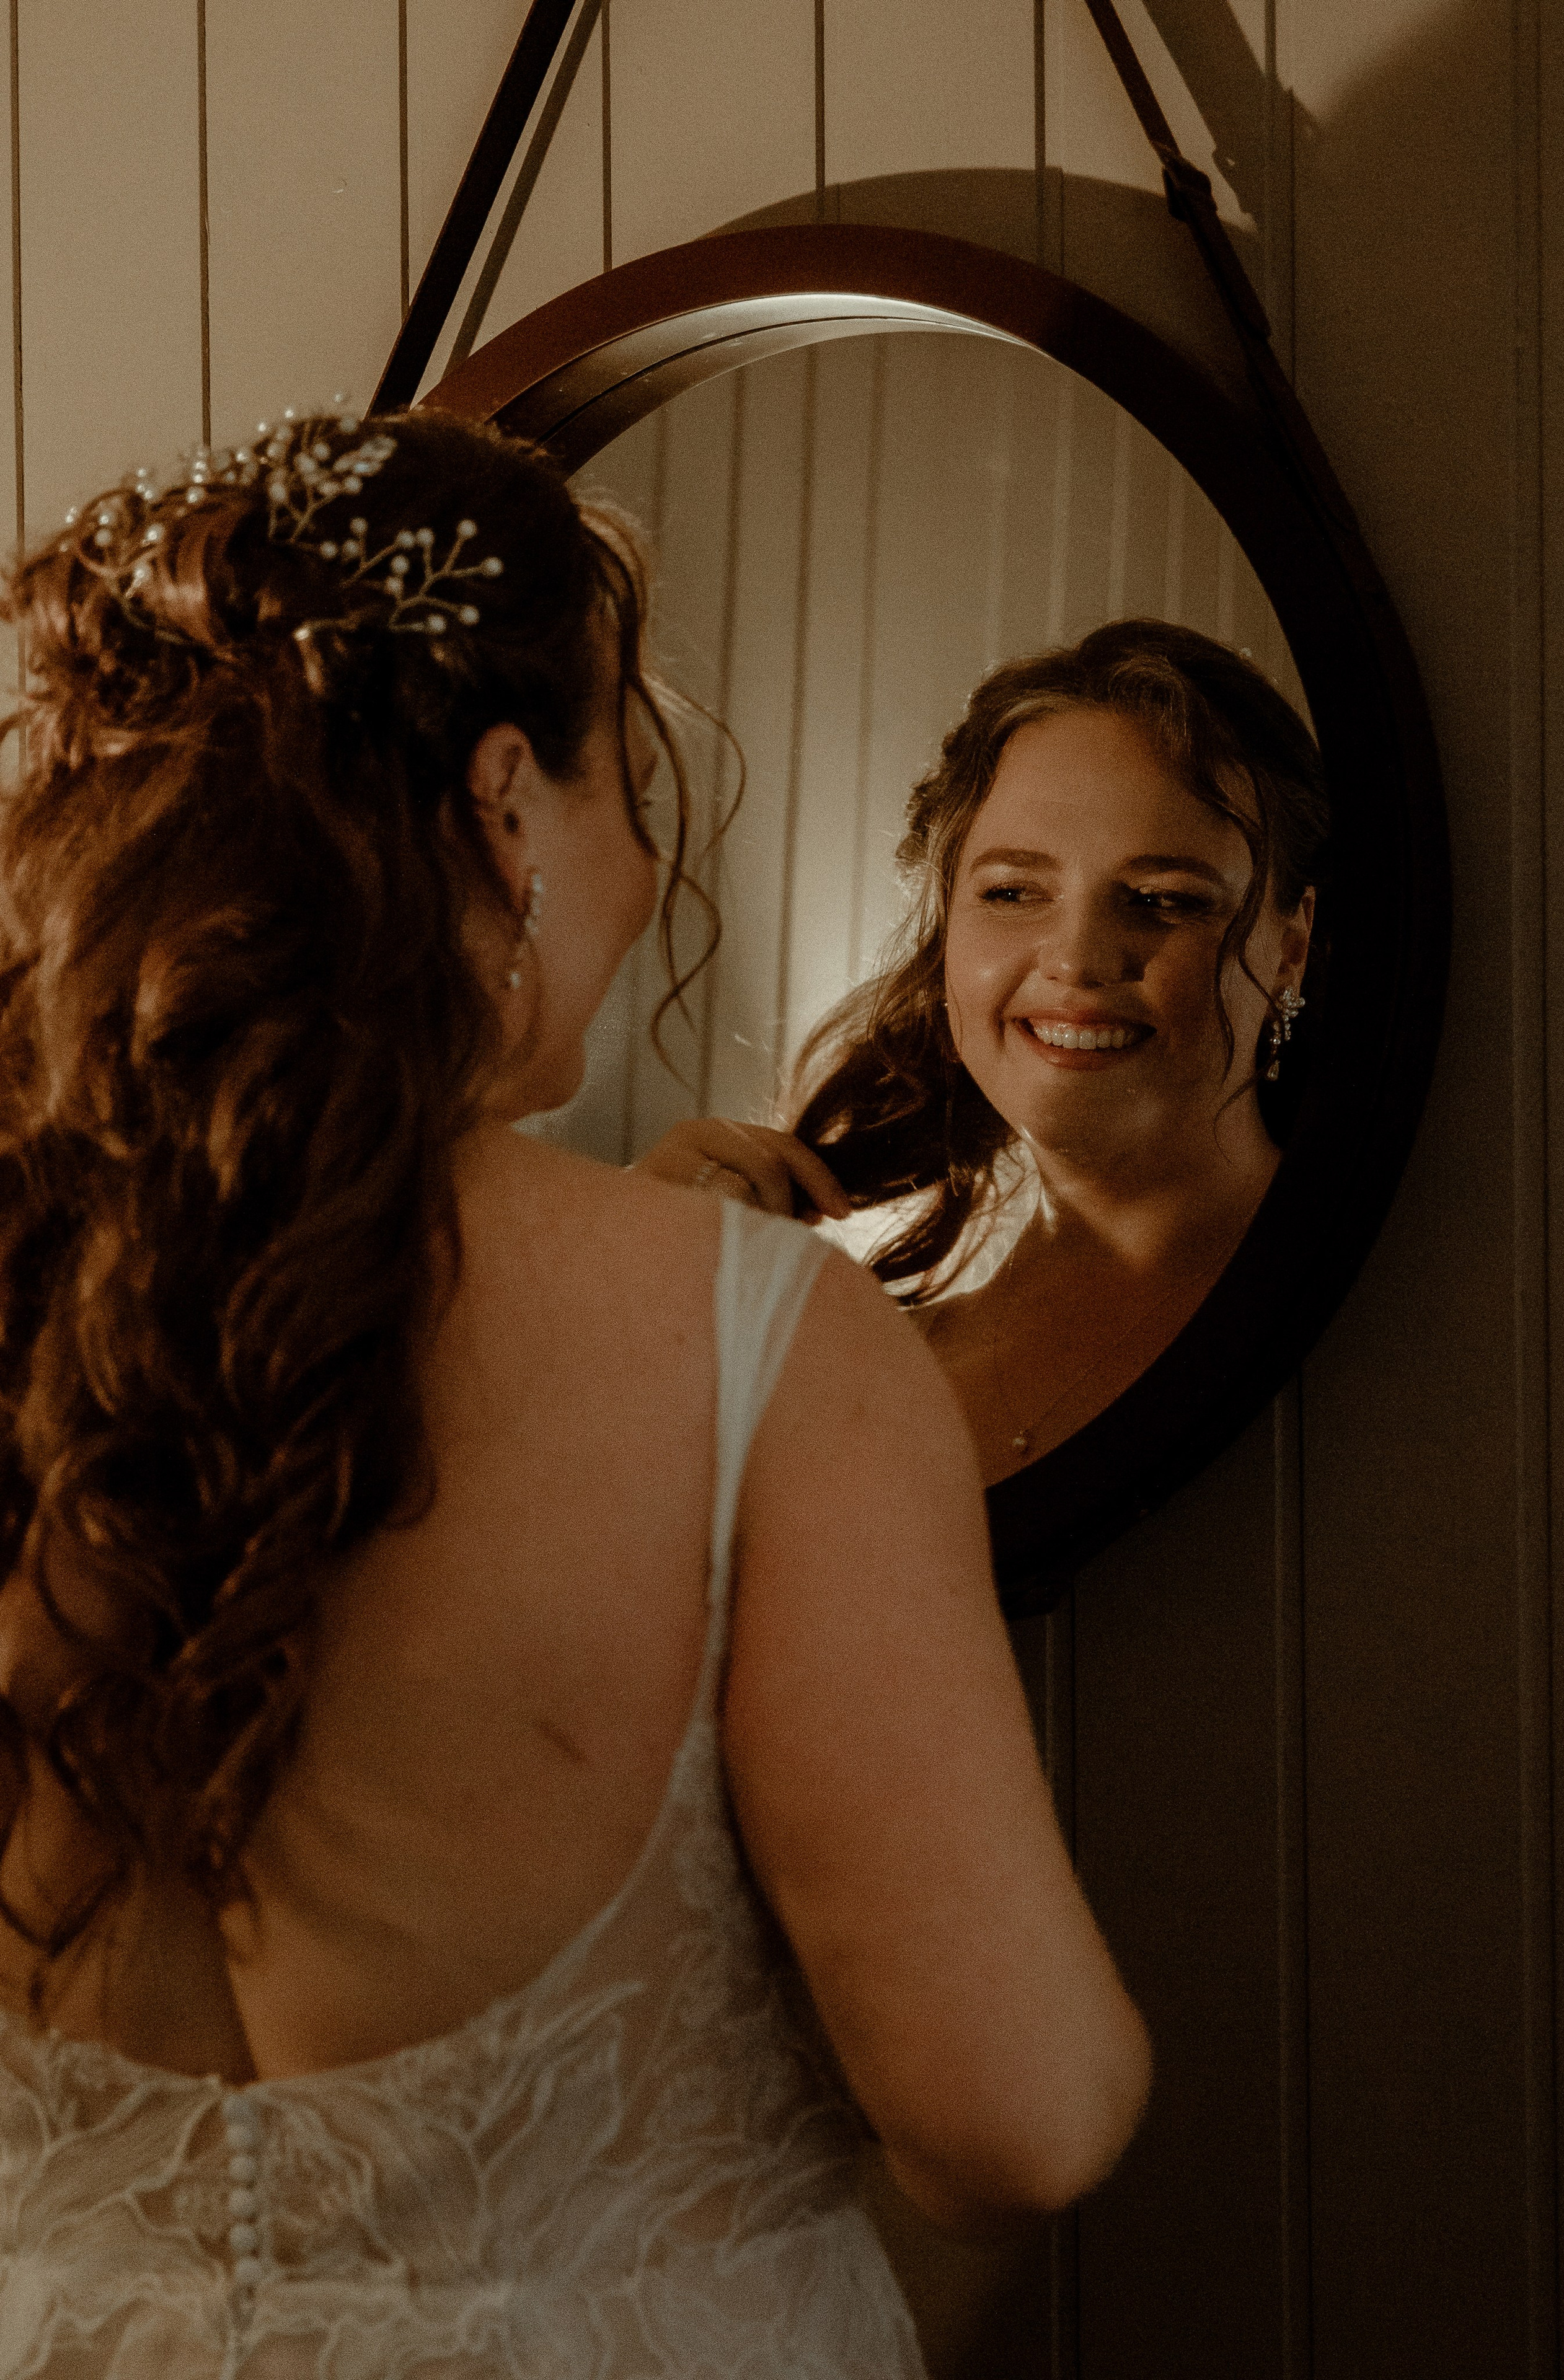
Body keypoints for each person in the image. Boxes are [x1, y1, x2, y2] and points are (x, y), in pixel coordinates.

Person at [0, 410, 1149, 2377]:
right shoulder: (760, 1350)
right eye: (631, 774)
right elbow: (1015, 2114)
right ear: (506, 804)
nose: (638, 860)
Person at [643, 623, 1327, 1485]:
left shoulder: (1368, 1305)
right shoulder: (861, 1370)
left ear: (1292, 944)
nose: (1076, 959)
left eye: (1163, 898)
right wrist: (632, 1292)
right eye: (1012, 892)